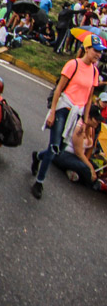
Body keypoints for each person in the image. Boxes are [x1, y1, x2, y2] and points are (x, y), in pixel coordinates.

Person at [31, 34, 104, 199]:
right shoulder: (73, 64)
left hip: (76, 114)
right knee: (54, 146)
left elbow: (89, 97)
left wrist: (85, 120)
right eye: (96, 51)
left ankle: (38, 156)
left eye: (100, 52)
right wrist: (53, 111)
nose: (98, 55)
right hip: (63, 109)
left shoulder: (94, 72)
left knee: (58, 150)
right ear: (86, 49)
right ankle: (39, 182)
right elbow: (59, 89)